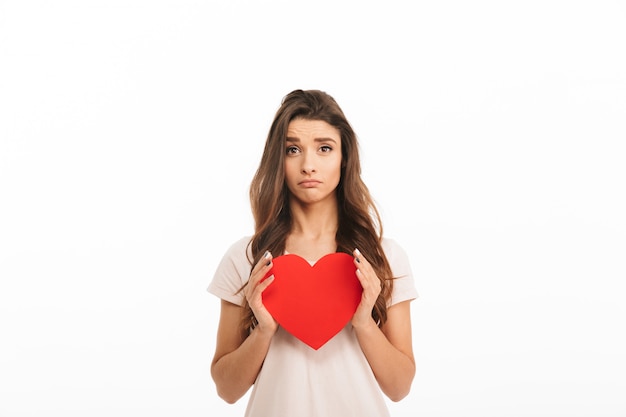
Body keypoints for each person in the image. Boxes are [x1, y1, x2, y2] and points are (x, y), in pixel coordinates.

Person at [208, 89, 418, 417]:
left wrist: (364, 323)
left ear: (344, 157)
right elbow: (226, 389)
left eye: (324, 148)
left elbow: (399, 386)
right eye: (293, 149)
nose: (308, 165)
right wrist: (263, 330)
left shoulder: (384, 257)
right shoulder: (246, 257)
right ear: (279, 160)